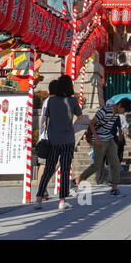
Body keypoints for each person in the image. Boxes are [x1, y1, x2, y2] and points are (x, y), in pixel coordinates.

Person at [36, 75, 82, 208]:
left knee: (49, 169)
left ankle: (39, 198)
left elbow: (45, 118)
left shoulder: (51, 101)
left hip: (53, 140)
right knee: (65, 169)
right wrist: (72, 122)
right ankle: (62, 201)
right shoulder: (73, 101)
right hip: (67, 140)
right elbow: (80, 116)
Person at [77, 96, 131, 197]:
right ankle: (78, 179)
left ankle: (114, 189)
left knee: (116, 163)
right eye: (124, 111)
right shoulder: (105, 110)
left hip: (109, 139)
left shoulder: (116, 114)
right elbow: (92, 123)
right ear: (120, 105)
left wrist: (119, 134)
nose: (123, 113)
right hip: (99, 140)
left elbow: (117, 126)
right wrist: (97, 139)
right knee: (97, 165)